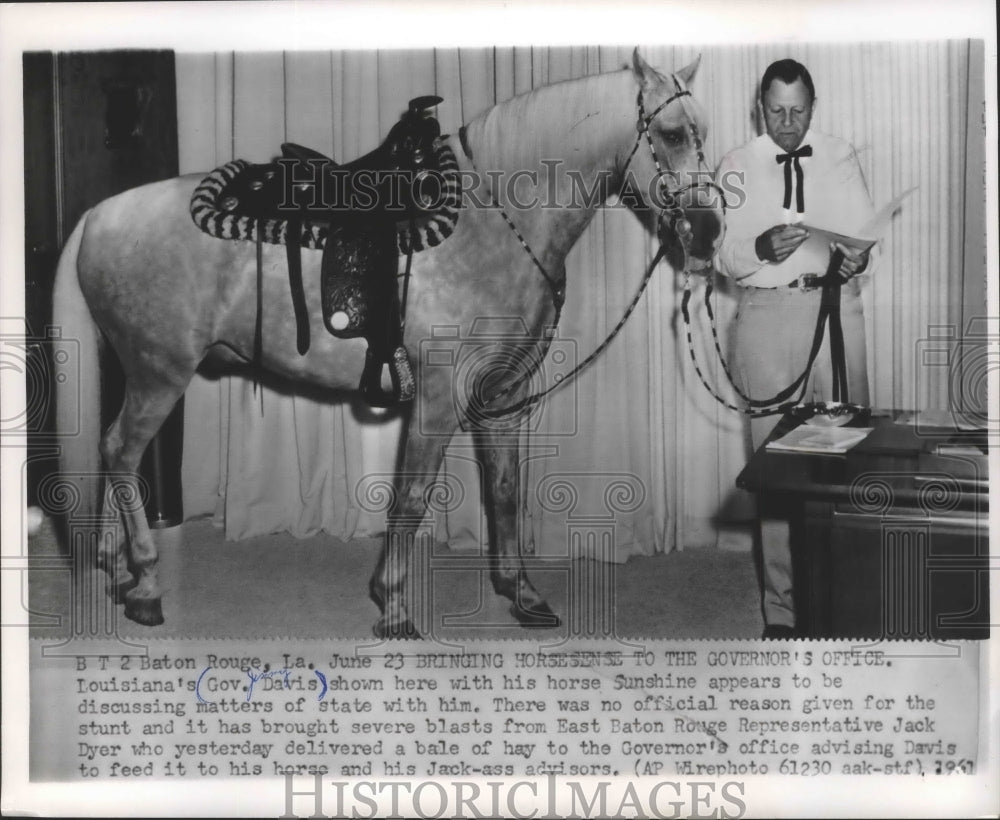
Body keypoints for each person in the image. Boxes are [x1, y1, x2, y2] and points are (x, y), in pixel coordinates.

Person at [715, 59, 878, 639]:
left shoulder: (840, 155)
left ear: (814, 107)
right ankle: (782, 614)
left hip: (837, 313)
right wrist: (760, 247)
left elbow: (865, 236)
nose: (787, 124)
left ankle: (843, 600)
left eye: (798, 111)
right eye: (776, 111)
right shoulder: (735, 165)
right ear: (759, 108)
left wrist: (858, 257)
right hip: (766, 319)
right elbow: (722, 256)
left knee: (844, 458)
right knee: (777, 470)